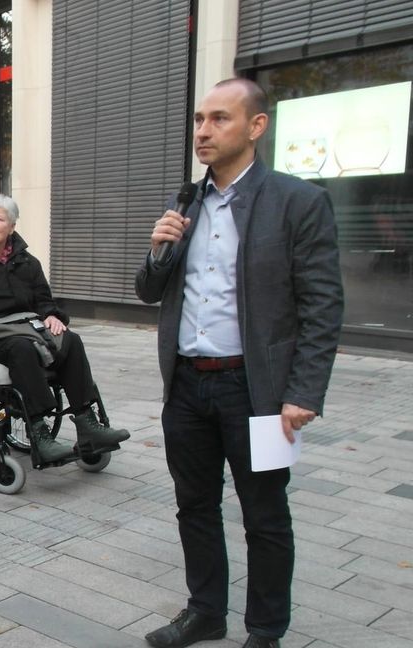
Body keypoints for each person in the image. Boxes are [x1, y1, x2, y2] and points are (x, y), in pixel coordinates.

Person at [135, 78, 343, 648]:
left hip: (260, 393)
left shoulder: (297, 202)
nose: (203, 130)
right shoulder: (188, 201)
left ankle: (266, 630)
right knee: (193, 506)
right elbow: (148, 292)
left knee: (265, 515)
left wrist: (303, 393)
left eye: (220, 119)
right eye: (200, 119)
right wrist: (158, 250)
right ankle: (206, 610)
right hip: (186, 389)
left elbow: (323, 308)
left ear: (256, 127)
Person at [0, 194, 131, 462]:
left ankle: (89, 424)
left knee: (70, 340)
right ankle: (39, 433)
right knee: (22, 349)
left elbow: (44, 300)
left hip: (27, 327)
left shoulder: (26, 262)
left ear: (12, 227)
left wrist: (52, 315)